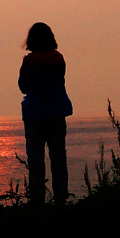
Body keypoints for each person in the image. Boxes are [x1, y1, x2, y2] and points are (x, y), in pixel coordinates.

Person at [18, 22, 73, 205]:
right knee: (58, 156)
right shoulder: (59, 59)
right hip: (57, 111)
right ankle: (61, 196)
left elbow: (23, 86)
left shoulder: (29, 61)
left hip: (35, 114)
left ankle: (37, 199)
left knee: (35, 159)